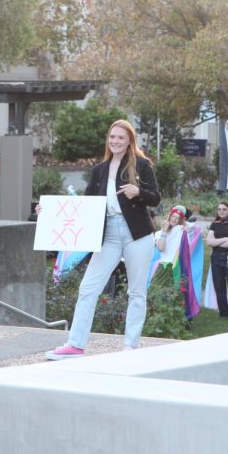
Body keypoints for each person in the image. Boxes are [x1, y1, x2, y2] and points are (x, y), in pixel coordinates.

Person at [47, 119, 160, 359]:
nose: (115, 141)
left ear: (129, 140)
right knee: (88, 288)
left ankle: (130, 345)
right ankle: (75, 344)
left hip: (137, 234)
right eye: (112, 137)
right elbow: (86, 206)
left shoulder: (141, 165)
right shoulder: (100, 170)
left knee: (136, 291)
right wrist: (47, 212)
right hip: (107, 234)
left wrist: (138, 192)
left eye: (121, 137)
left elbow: (155, 197)